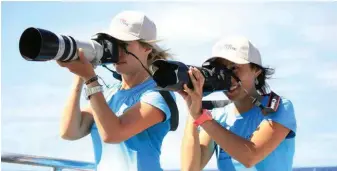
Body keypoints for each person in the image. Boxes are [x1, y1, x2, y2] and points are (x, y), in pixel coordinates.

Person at [58, 10, 175, 171]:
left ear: (147, 48)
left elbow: (113, 134)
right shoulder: (106, 94)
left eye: (124, 45)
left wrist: (91, 80)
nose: (117, 52)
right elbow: (70, 132)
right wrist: (79, 77)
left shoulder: (158, 95)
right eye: (114, 44)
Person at [180, 36, 297, 171]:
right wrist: (193, 111)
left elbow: (250, 157)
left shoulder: (278, 107)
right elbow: (190, 169)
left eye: (234, 68)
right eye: (221, 70)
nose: (228, 77)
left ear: (256, 71)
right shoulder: (216, 117)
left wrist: (201, 117)